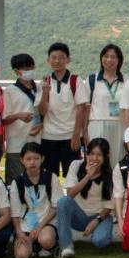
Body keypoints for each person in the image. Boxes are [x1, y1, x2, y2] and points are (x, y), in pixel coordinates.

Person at [56, 138, 115, 258]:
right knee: (63, 202)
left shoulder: (110, 174)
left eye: (99, 155)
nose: (94, 158)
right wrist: (88, 176)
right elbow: (70, 194)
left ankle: (102, 232)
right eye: (91, 154)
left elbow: (109, 207)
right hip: (80, 214)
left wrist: (96, 220)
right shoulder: (76, 165)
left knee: (100, 241)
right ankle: (66, 246)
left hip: (100, 216)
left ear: (106, 156)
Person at [37, 42, 90, 177]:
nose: (57, 61)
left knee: (73, 176)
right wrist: (45, 93)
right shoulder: (45, 82)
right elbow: (41, 111)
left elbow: (81, 108)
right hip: (49, 136)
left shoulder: (75, 80)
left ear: (68, 60)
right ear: (48, 60)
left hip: (70, 137)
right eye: (53, 58)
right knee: (49, 177)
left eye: (61, 57)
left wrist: (76, 135)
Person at [8, 142, 63, 258]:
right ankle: (34, 247)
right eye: (28, 159)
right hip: (26, 224)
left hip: (45, 222)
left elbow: (55, 207)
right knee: (21, 256)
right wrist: (20, 233)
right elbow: (15, 214)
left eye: (36, 158)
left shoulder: (51, 178)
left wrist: (40, 227)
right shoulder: (17, 182)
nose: (32, 162)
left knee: (46, 240)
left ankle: (48, 246)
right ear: (22, 160)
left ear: (42, 159)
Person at [2, 53, 43, 182]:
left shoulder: (40, 88)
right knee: (16, 183)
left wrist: (41, 124)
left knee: (36, 182)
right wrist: (18, 116)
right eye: (25, 69)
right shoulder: (10, 91)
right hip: (16, 146)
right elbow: (3, 119)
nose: (29, 71)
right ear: (16, 71)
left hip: (37, 143)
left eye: (31, 68)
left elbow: (45, 112)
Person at [86, 44, 127, 167]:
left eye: (113, 57)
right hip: (97, 125)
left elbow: (128, 109)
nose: (109, 60)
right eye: (106, 56)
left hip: (119, 126)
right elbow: (86, 108)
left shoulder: (127, 80)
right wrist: (84, 132)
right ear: (101, 58)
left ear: (119, 60)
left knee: (117, 160)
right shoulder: (92, 80)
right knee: (97, 161)